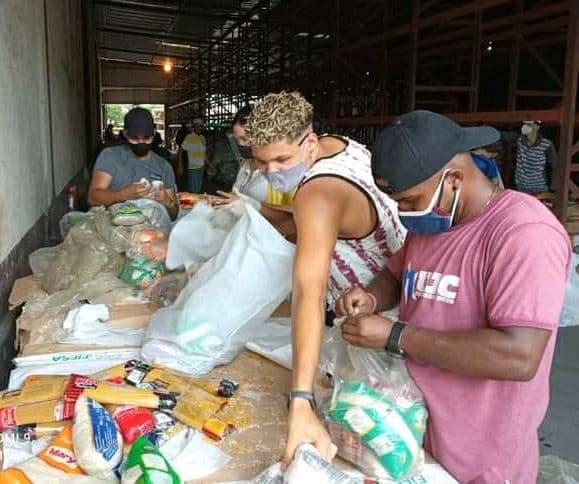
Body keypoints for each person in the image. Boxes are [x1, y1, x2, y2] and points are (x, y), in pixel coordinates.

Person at [334, 110, 570, 483]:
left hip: (481, 456)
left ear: (454, 179)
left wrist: (395, 336)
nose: (403, 211)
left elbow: (519, 356)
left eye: (409, 200)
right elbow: (396, 274)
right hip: (415, 428)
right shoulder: (435, 222)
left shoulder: (524, 233)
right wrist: (371, 297)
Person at [244, 92, 406, 465]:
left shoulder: (318, 193)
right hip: (392, 295)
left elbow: (308, 292)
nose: (271, 172)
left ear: (310, 142)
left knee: (375, 440)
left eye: (282, 160)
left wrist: (301, 399)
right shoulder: (342, 147)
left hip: (376, 325)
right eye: (261, 161)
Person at [210, 105, 297, 238]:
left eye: (245, 139)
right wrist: (226, 201)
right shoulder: (245, 164)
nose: (241, 145)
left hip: (271, 240)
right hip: (244, 238)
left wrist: (253, 206)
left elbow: (296, 216)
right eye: (237, 140)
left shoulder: (284, 169)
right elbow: (239, 195)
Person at [88, 107, 179, 220]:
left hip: (151, 228)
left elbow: (174, 214)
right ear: (125, 134)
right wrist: (123, 195)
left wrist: (166, 201)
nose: (141, 142)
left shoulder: (163, 166)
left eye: (146, 138)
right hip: (114, 226)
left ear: (154, 134)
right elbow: (93, 198)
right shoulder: (110, 156)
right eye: (135, 138)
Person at [514, 120, 558, 194]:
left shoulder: (546, 144)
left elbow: (554, 165)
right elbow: (503, 136)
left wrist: (553, 186)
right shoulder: (519, 140)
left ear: (537, 127)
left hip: (539, 187)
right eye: (524, 124)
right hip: (521, 186)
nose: (525, 127)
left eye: (529, 125)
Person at [181, 118, 207, 193]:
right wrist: (180, 165)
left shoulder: (202, 138)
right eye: (197, 126)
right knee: (193, 190)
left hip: (201, 167)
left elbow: (204, 154)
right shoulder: (189, 137)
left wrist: (209, 165)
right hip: (193, 168)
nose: (199, 128)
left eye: (200, 126)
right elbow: (181, 150)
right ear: (194, 127)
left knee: (198, 189)